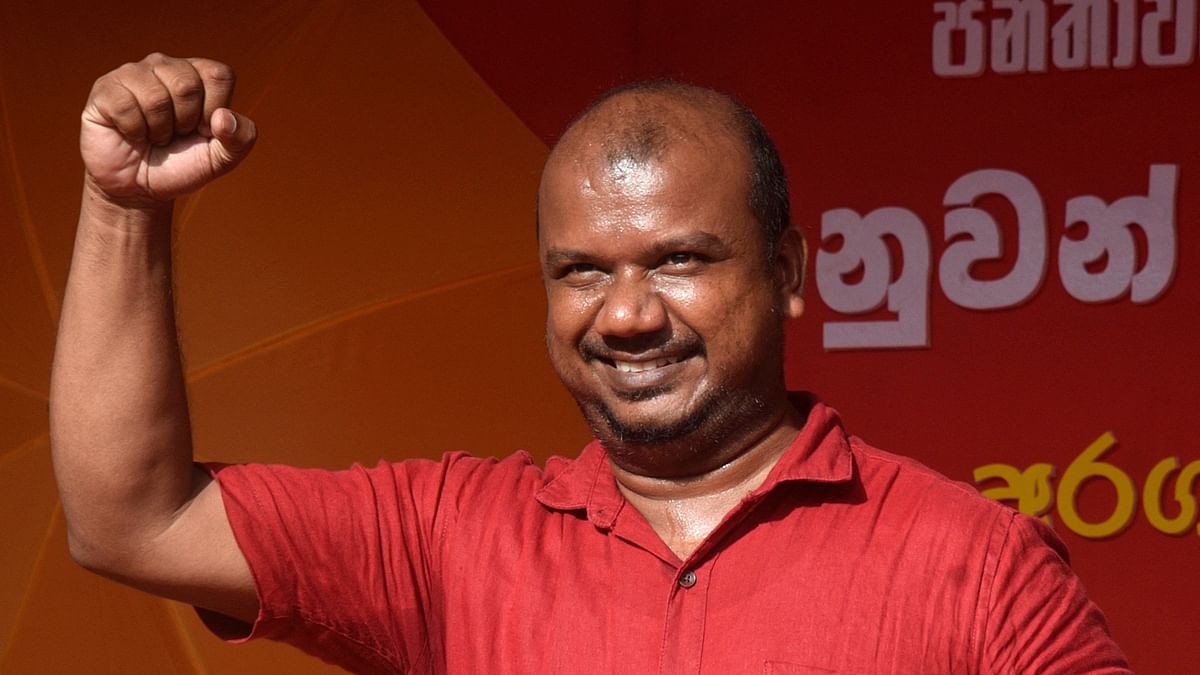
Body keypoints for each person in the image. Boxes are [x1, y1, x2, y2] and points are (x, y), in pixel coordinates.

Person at [50, 53, 1131, 674]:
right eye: (578, 272)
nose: (623, 315)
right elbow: (129, 520)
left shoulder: (973, 567)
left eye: (678, 260)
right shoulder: (448, 542)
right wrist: (122, 209)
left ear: (792, 271)